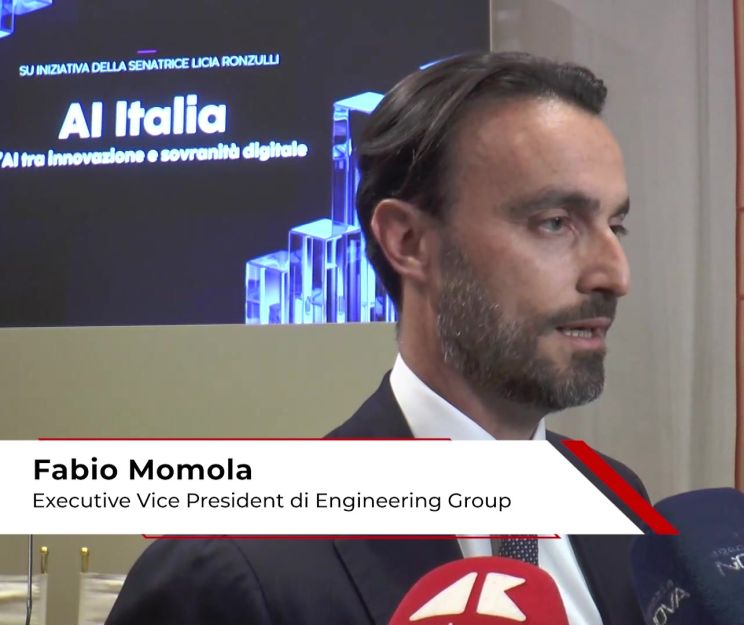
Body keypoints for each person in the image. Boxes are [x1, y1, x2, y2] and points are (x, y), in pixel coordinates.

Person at [106, 51, 647, 625]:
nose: (615, 275)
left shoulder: (617, 501)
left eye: (615, 225)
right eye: (555, 223)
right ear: (408, 242)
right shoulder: (231, 568)